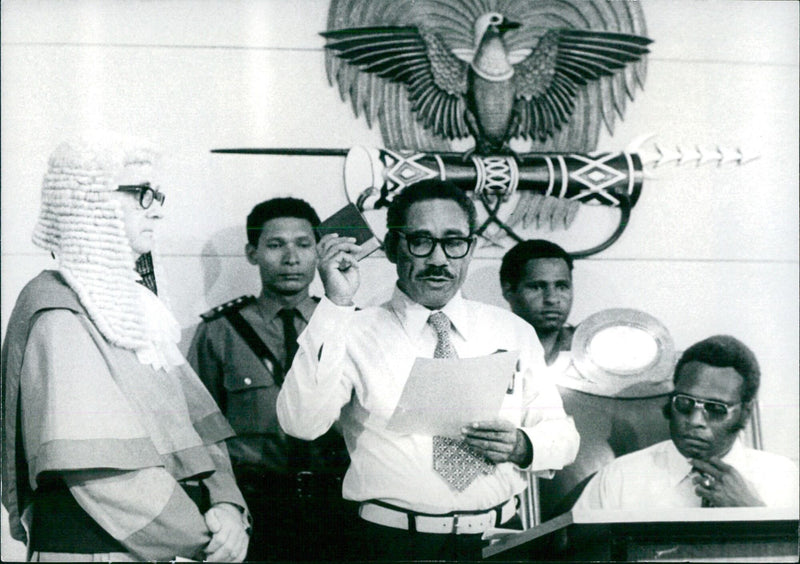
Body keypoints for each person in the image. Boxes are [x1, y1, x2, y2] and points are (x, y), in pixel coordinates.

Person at [276, 179, 580, 561]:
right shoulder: (349, 329)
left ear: (470, 248)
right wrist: (337, 303)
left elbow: (564, 437)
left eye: (454, 242)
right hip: (392, 545)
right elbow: (301, 424)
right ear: (391, 247)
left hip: (499, 542)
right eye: (421, 241)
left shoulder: (511, 330)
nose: (439, 259)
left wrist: (523, 446)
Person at [1, 132, 250, 562]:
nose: (159, 209)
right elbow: (104, 477)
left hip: (155, 547)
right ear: (90, 202)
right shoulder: (57, 312)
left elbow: (200, 429)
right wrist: (207, 536)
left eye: (159, 195)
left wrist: (227, 505)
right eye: (142, 194)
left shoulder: (140, 308)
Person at [187, 197, 351, 561]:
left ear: (319, 251)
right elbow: (197, 432)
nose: (291, 258)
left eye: (304, 245)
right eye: (275, 245)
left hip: (340, 503)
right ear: (252, 253)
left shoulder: (347, 326)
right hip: (256, 505)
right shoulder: (219, 333)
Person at [573, 335, 799, 510]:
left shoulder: (784, 478)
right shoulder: (619, 479)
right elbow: (573, 554)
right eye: (685, 403)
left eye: (716, 409)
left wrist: (753, 514)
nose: (695, 421)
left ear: (745, 412)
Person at [500, 239, 575, 367]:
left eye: (561, 287)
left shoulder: (594, 347)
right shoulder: (486, 347)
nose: (552, 299)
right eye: (536, 287)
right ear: (509, 291)